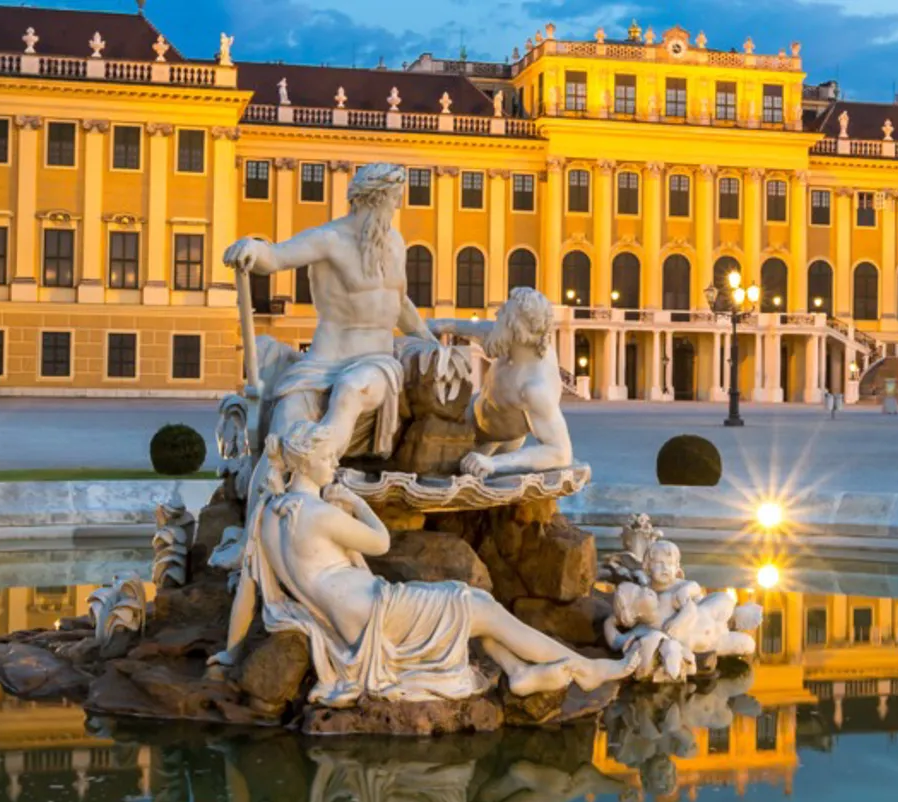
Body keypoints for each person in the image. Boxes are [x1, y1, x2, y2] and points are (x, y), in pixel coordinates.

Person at [210, 420, 641, 703]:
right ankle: (585, 669)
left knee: (474, 611)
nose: (334, 465)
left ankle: (518, 671)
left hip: (356, 615)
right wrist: (357, 503)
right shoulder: (319, 514)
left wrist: (231, 654)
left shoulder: (268, 514)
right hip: (376, 613)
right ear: (307, 461)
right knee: (476, 605)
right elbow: (379, 543)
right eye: (328, 459)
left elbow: (247, 592)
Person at [222, 163, 449, 468]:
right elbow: (276, 257)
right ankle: (266, 500)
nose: (398, 204)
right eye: (395, 197)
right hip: (321, 364)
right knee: (283, 425)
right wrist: (252, 247)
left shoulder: (395, 244)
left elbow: (399, 302)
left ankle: (314, 469)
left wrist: (430, 342)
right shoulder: (329, 239)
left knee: (351, 389)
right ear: (377, 198)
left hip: (375, 363)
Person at [427, 287, 574, 478]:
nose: (496, 314)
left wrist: (494, 463)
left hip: (488, 442)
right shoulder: (515, 343)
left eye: (503, 315)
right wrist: (438, 325)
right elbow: (481, 329)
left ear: (517, 329)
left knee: (431, 469)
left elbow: (560, 453)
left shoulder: (535, 388)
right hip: (470, 413)